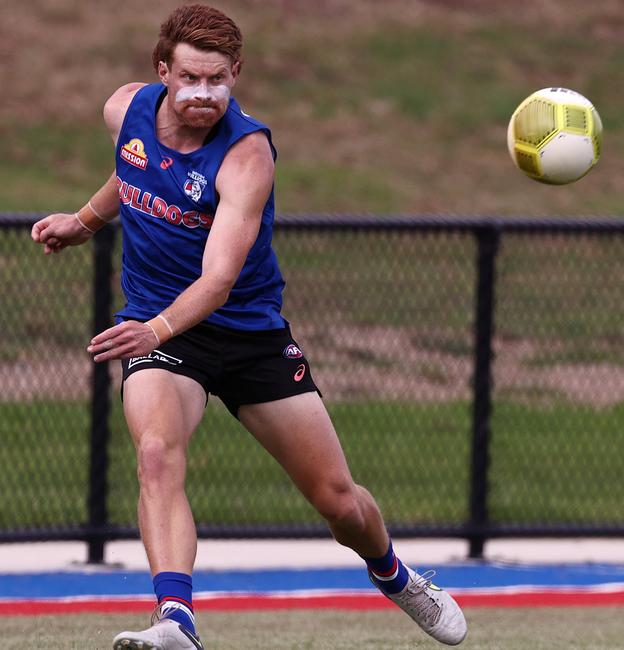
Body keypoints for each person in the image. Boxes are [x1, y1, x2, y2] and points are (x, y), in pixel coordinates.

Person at [31, 5, 467, 649]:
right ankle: (175, 619)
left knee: (339, 503)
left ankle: (394, 573)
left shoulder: (246, 154)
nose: (204, 94)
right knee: (156, 454)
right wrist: (85, 221)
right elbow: (135, 169)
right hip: (166, 336)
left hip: (246, 335)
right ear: (163, 74)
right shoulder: (124, 111)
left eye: (217, 81)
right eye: (189, 80)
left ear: (235, 74)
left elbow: (217, 282)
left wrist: (153, 330)